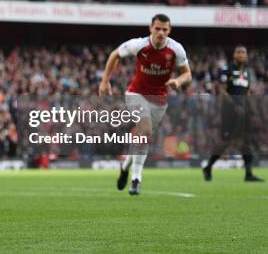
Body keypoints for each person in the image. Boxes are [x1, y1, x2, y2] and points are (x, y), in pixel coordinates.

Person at [99, 14, 191, 195]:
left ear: (169, 31)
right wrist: (105, 81)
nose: (161, 33)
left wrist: (178, 82)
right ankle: (136, 179)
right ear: (151, 28)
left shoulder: (176, 49)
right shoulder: (138, 45)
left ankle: (125, 166)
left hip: (159, 100)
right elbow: (115, 55)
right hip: (136, 94)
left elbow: (187, 74)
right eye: (157, 29)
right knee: (145, 130)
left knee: (143, 137)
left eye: (165, 30)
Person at [202, 45, 263, 182]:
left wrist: (251, 109)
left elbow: (246, 92)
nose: (241, 55)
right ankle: (209, 166)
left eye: (243, 53)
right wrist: (235, 106)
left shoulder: (247, 72)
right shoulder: (227, 70)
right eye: (239, 52)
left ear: (246, 56)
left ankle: (248, 173)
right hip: (230, 111)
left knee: (247, 140)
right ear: (234, 55)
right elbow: (223, 91)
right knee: (226, 141)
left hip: (244, 111)